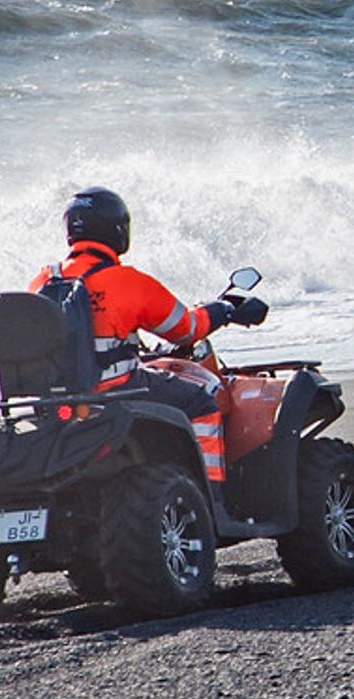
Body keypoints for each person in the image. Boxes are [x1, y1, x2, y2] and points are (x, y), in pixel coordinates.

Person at [34, 186, 267, 495]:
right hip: (115, 389)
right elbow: (187, 329)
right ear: (117, 229)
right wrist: (223, 310)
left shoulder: (42, 280)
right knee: (202, 403)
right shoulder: (127, 281)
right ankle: (211, 494)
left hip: (54, 399)